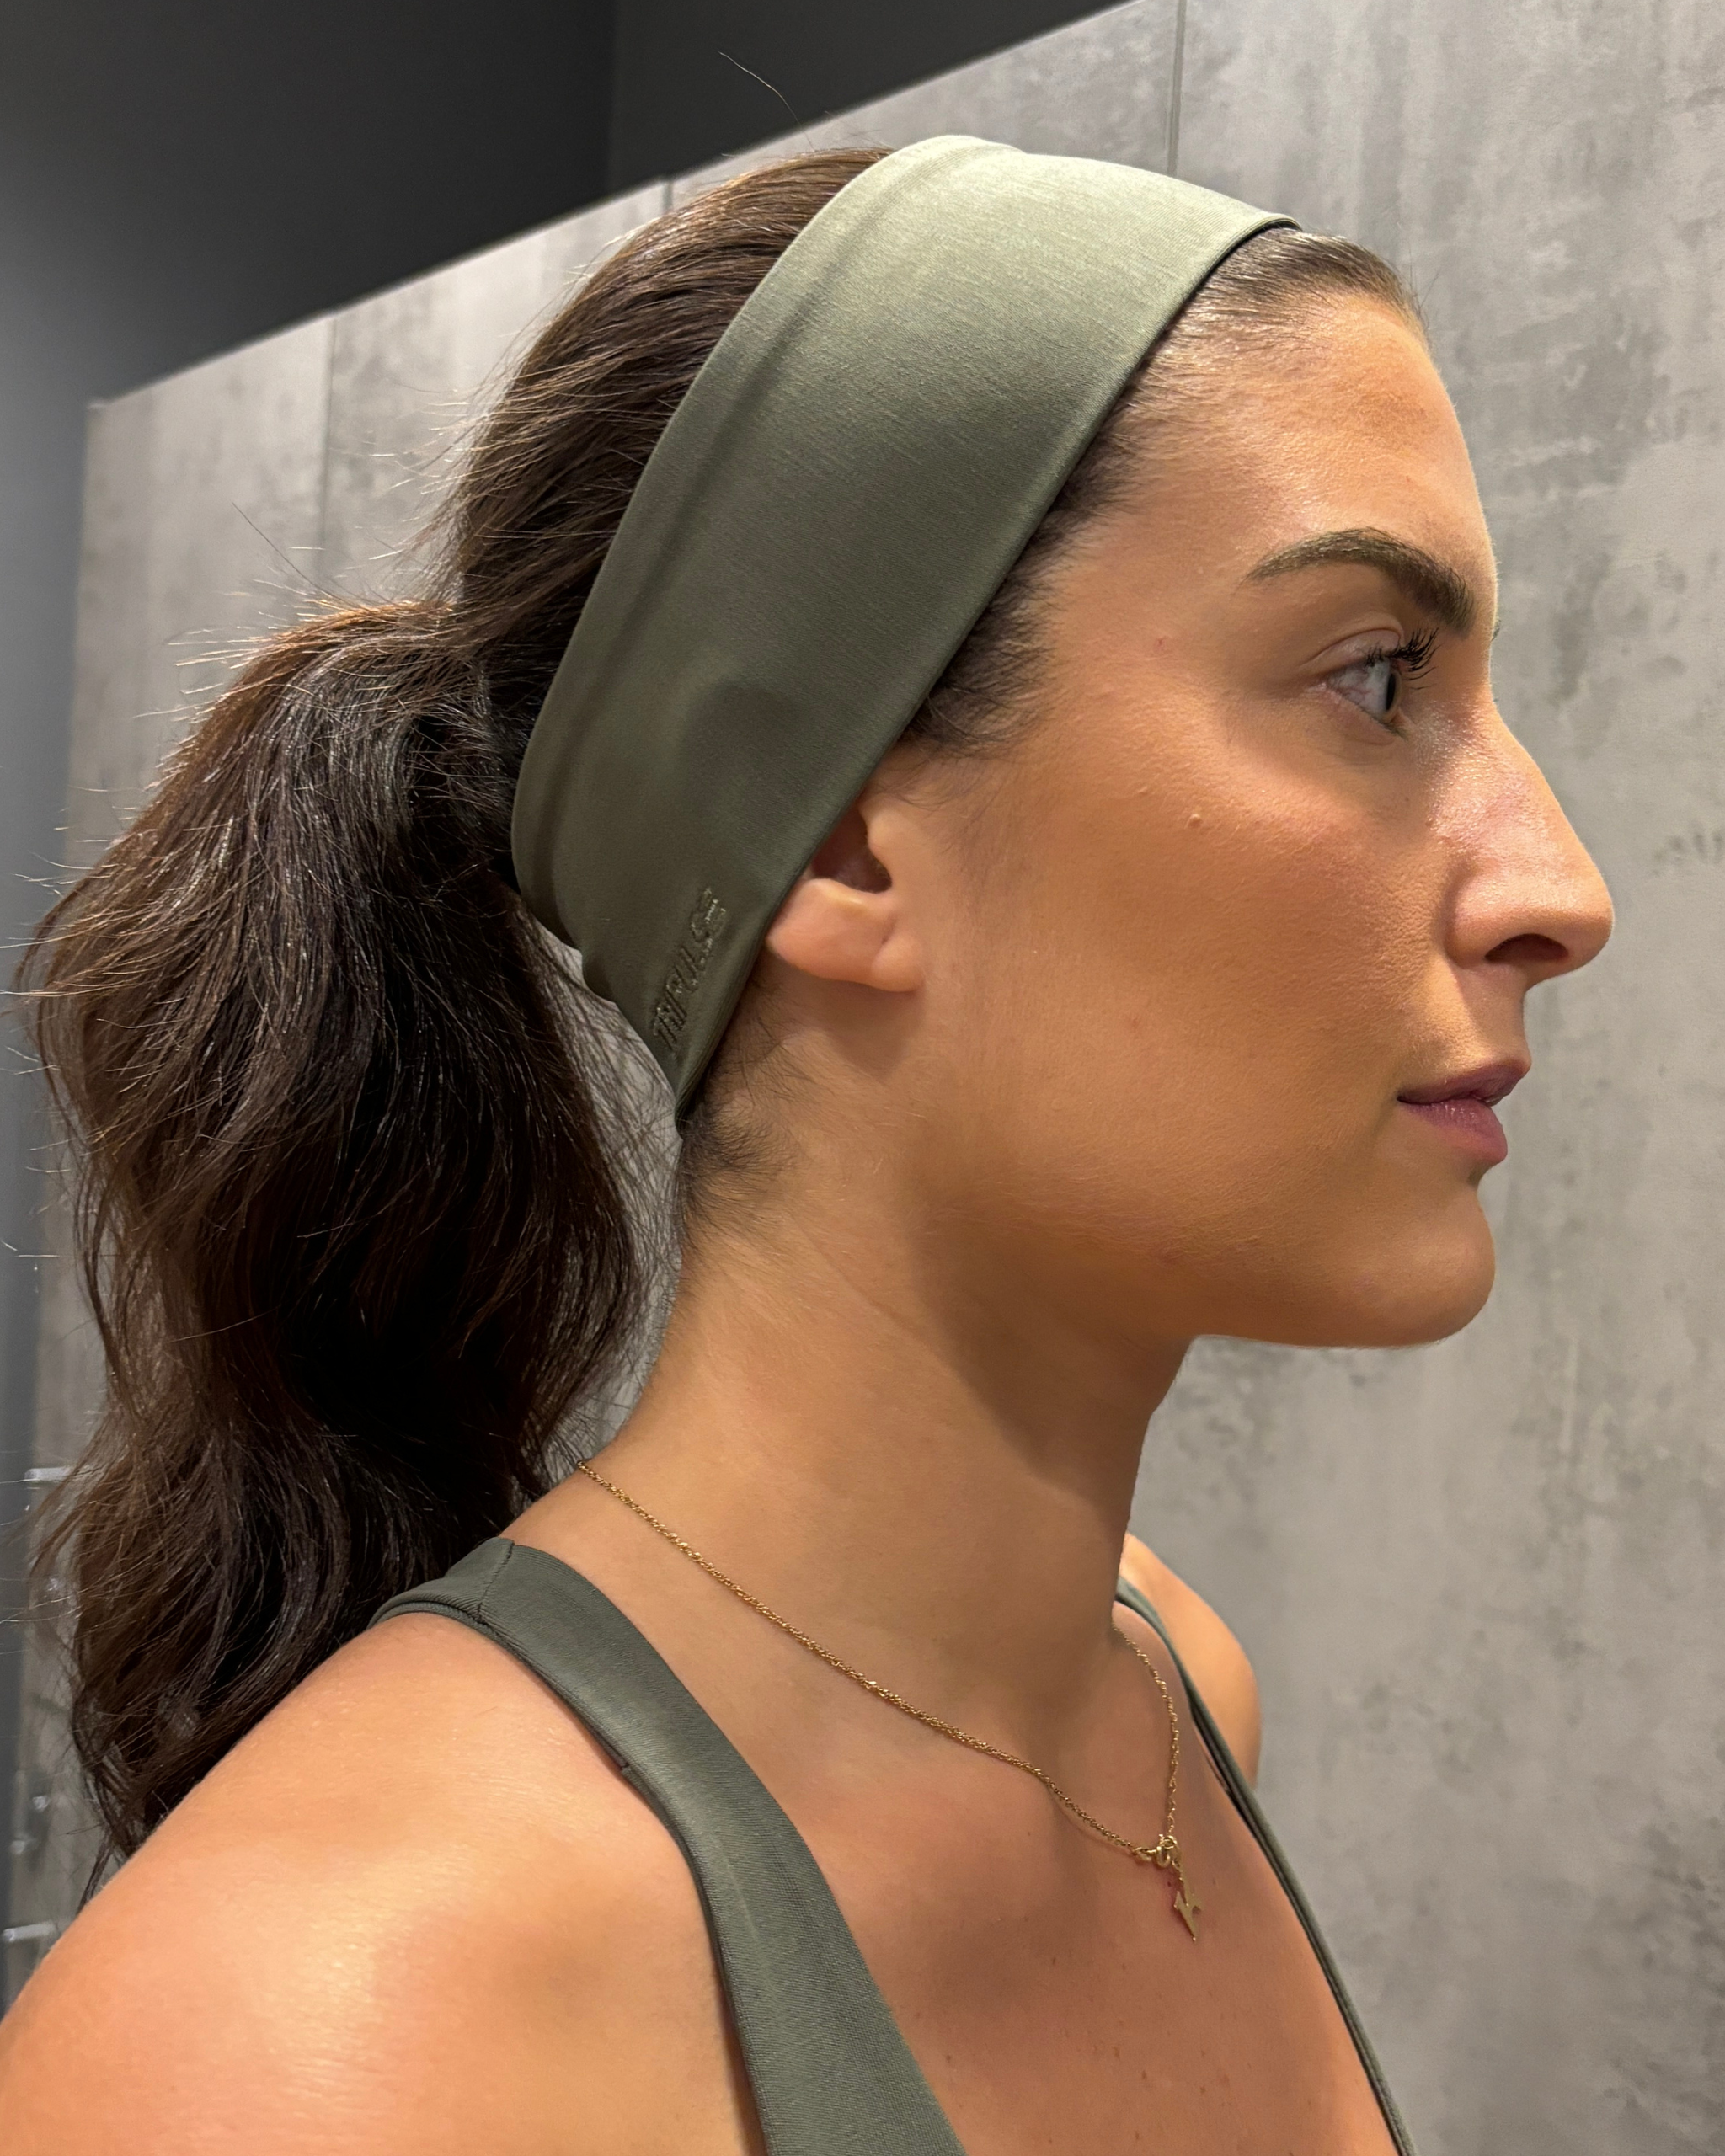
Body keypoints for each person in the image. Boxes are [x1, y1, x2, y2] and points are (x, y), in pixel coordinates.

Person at [0, 137, 1610, 2153]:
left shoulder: (1165, 1698)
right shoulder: (315, 2047)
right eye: (1373, 679)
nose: (1558, 887)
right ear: (843, 830)